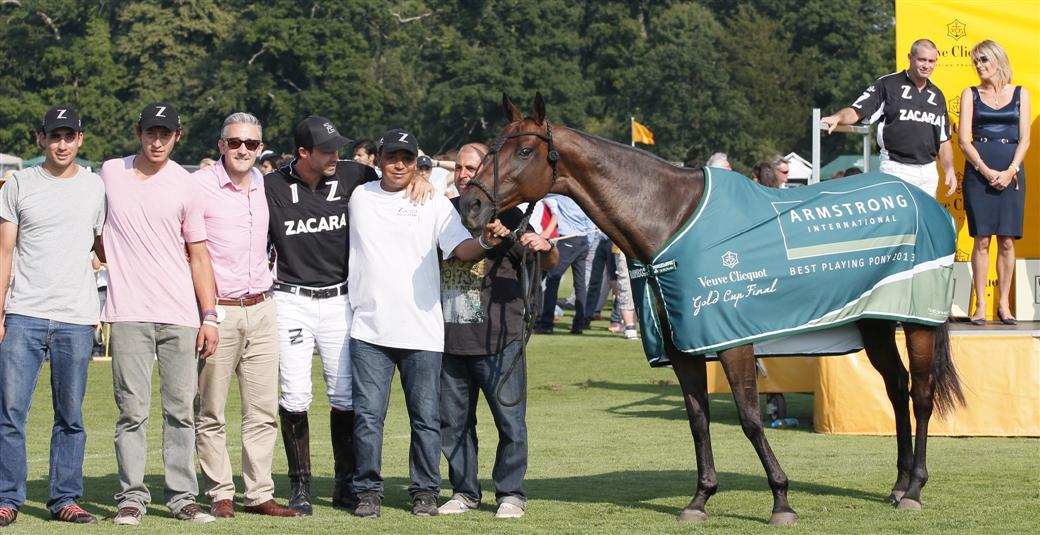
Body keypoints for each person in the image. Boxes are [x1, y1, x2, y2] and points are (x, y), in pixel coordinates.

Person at [348, 129, 509, 518]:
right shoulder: (359, 196)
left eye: (406, 157)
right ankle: (368, 491)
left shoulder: (432, 199)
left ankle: (424, 491)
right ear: (379, 159)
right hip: (368, 329)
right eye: (391, 156)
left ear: (415, 161)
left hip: (422, 330)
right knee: (368, 417)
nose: (399, 164)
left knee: (425, 419)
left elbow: (459, 251)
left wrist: (486, 242)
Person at [265, 117, 399, 516]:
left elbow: (396, 184)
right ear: (303, 153)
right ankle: (300, 487)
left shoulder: (355, 174)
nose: (335, 156)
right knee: (294, 394)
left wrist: (422, 182)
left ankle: (345, 486)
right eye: (327, 150)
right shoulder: (270, 185)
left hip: (340, 300)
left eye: (338, 148)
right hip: (291, 299)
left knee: (344, 396)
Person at [102, 103, 218, 525]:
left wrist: (209, 315)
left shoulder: (187, 186)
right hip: (129, 312)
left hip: (180, 314)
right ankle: (131, 497)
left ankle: (182, 498)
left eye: (165, 134)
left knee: (181, 411)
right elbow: (98, 232)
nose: (157, 140)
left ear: (177, 136)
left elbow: (199, 256)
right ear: (139, 133)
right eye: (151, 132)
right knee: (132, 411)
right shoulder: (110, 172)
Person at [437, 143, 557, 519]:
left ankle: (510, 493)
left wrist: (545, 245)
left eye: (470, 167)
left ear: (487, 168)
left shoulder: (513, 213)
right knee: (453, 424)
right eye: (457, 168)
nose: (462, 174)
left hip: (500, 337)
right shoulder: (440, 213)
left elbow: (546, 259)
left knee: (509, 421)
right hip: (446, 337)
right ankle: (464, 491)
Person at [0, 106, 106, 527]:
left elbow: (105, 248)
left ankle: (64, 498)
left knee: (71, 415)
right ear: (40, 139)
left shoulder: (95, 187)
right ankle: (7, 497)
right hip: (23, 312)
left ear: (80, 140)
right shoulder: (19, 183)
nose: (61, 143)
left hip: (76, 318)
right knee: (10, 412)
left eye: (70, 136)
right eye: (53, 136)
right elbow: (4, 251)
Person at [193, 113, 298, 518]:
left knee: (262, 410)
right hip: (218, 310)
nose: (242, 150)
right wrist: (205, 312)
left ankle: (258, 493)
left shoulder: (264, 183)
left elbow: (326, 165)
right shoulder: (198, 186)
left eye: (251, 144)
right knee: (211, 409)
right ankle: (220, 491)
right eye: (234, 142)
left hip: (262, 306)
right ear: (221, 145)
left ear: (260, 147)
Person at [821, 38, 957, 198]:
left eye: (931, 61)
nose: (926, 65)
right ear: (910, 58)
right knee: (898, 220)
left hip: (928, 171)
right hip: (896, 167)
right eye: (922, 59)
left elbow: (944, 141)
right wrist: (838, 117)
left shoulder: (937, 95)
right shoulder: (888, 84)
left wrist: (949, 169)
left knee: (921, 222)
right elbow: (857, 110)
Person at [957, 40, 1030, 325]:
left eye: (984, 60)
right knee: (982, 240)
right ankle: (979, 305)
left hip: (1011, 171)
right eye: (975, 61)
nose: (979, 66)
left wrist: (1011, 170)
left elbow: (1025, 138)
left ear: (999, 59)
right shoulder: (970, 94)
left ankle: (1003, 305)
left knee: (1008, 241)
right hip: (979, 171)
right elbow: (964, 140)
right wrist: (985, 170)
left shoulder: (1021, 93)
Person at [534, 194, 595, 335]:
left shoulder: (559, 195)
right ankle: (579, 325)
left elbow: (542, 193)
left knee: (552, 280)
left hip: (568, 241)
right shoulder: (582, 198)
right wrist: (588, 244)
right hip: (583, 241)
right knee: (580, 284)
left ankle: (546, 324)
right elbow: (590, 223)